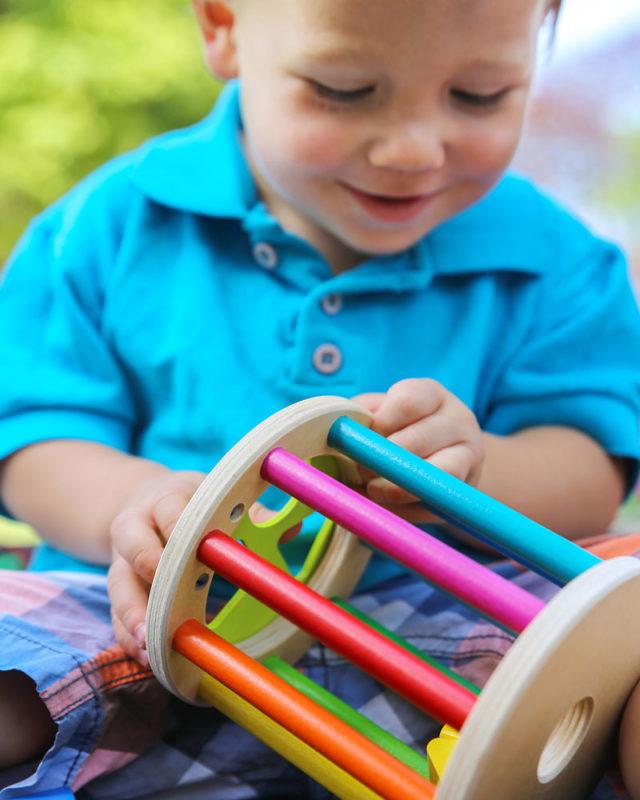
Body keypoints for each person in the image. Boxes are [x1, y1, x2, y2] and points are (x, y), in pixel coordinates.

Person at [1, 0, 640, 797]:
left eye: (479, 96)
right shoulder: (108, 227)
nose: (412, 150)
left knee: (626, 636)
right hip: (130, 627)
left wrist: (472, 474)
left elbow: (592, 464)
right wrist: (135, 506)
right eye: (343, 88)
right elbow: (36, 438)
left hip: (447, 645)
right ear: (224, 28)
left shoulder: (561, 264)